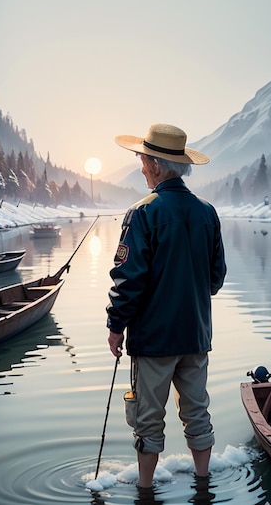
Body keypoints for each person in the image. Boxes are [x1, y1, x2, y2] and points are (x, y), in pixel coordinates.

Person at [106, 123, 226, 489]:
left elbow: (128, 280)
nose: (141, 166)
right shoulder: (207, 212)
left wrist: (115, 326)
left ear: (156, 166)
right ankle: (203, 484)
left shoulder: (142, 213)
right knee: (197, 413)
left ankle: (145, 490)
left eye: (142, 159)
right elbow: (216, 278)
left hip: (154, 340)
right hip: (195, 336)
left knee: (147, 419)